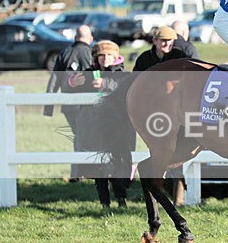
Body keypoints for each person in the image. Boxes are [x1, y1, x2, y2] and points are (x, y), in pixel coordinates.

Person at [69, 40, 130, 209]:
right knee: (98, 166)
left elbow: (123, 87)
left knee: (116, 164)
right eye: (102, 55)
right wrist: (74, 83)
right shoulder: (88, 73)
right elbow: (73, 92)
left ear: (116, 56)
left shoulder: (122, 73)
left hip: (116, 126)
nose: (105, 59)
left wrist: (106, 84)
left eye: (109, 55)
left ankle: (121, 199)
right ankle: (104, 202)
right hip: (94, 126)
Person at [133, 25, 190, 206]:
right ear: (155, 41)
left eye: (170, 41)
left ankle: (178, 198)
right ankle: (158, 193)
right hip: (153, 114)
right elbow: (135, 83)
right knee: (157, 153)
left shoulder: (180, 56)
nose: (167, 44)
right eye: (163, 41)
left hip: (177, 113)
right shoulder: (144, 59)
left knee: (177, 153)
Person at [44, 24, 94, 181]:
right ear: (89, 38)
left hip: (68, 106)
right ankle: (78, 174)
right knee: (82, 137)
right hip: (87, 105)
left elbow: (54, 80)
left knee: (80, 136)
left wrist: (48, 107)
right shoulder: (91, 53)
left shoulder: (64, 53)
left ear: (75, 37)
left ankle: (81, 173)